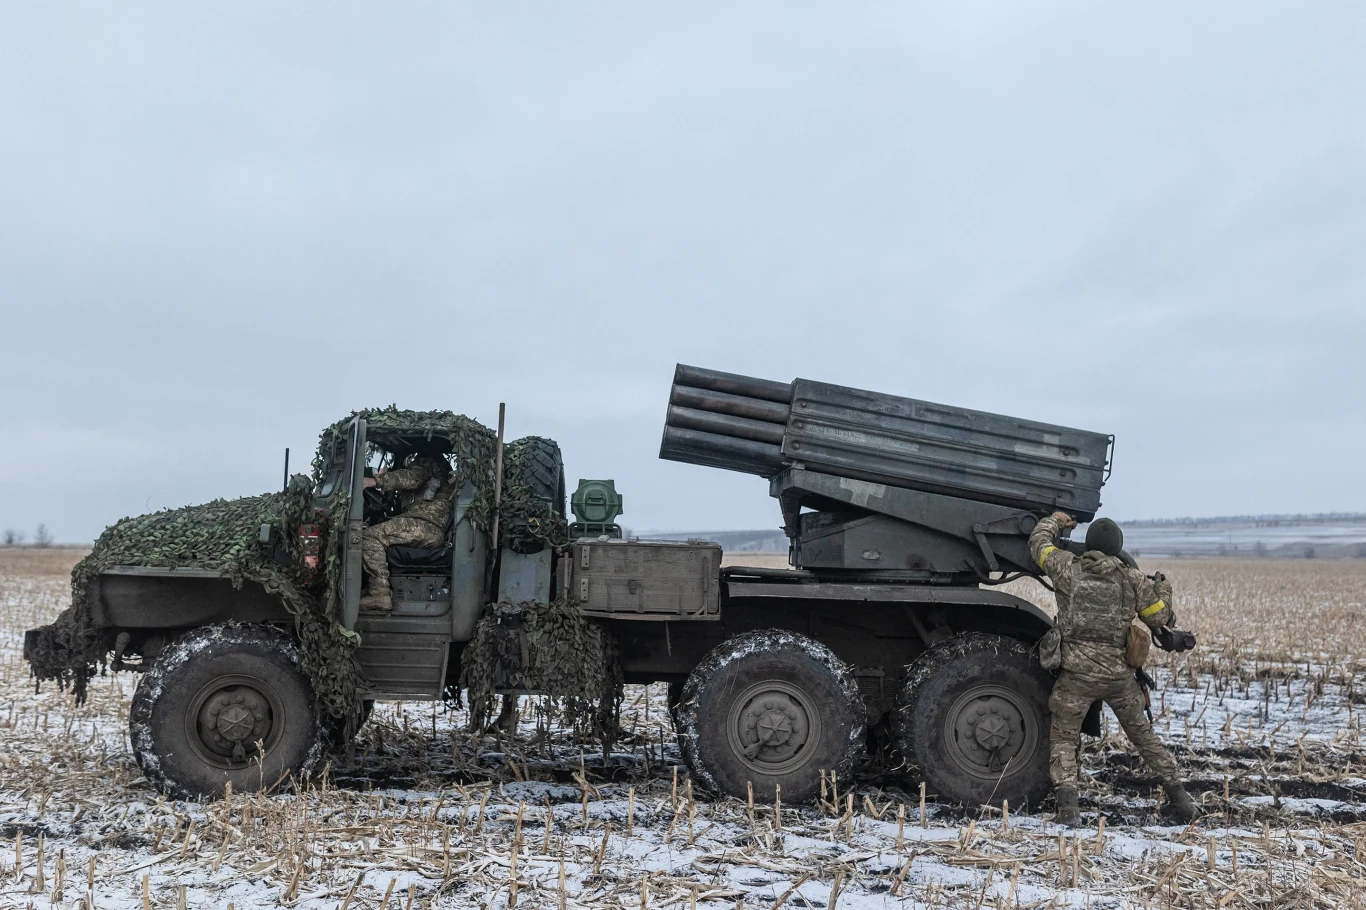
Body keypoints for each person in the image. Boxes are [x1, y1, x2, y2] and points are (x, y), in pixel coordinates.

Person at [1029, 511, 1198, 826]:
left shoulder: (1066, 567)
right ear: (1118, 547)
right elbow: (1160, 618)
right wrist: (1164, 589)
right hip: (1119, 678)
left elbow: (1038, 543)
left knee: (1064, 738)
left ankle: (1068, 812)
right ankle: (1182, 802)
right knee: (1144, 737)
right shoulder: (1131, 579)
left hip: (1075, 677)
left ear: (1088, 545)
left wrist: (1055, 520)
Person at [358, 451, 456, 611]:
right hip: (425, 526)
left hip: (424, 525)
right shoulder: (436, 465)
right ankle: (370, 587)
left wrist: (374, 481)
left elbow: (412, 478)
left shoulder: (429, 458)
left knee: (369, 536)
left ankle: (380, 594)